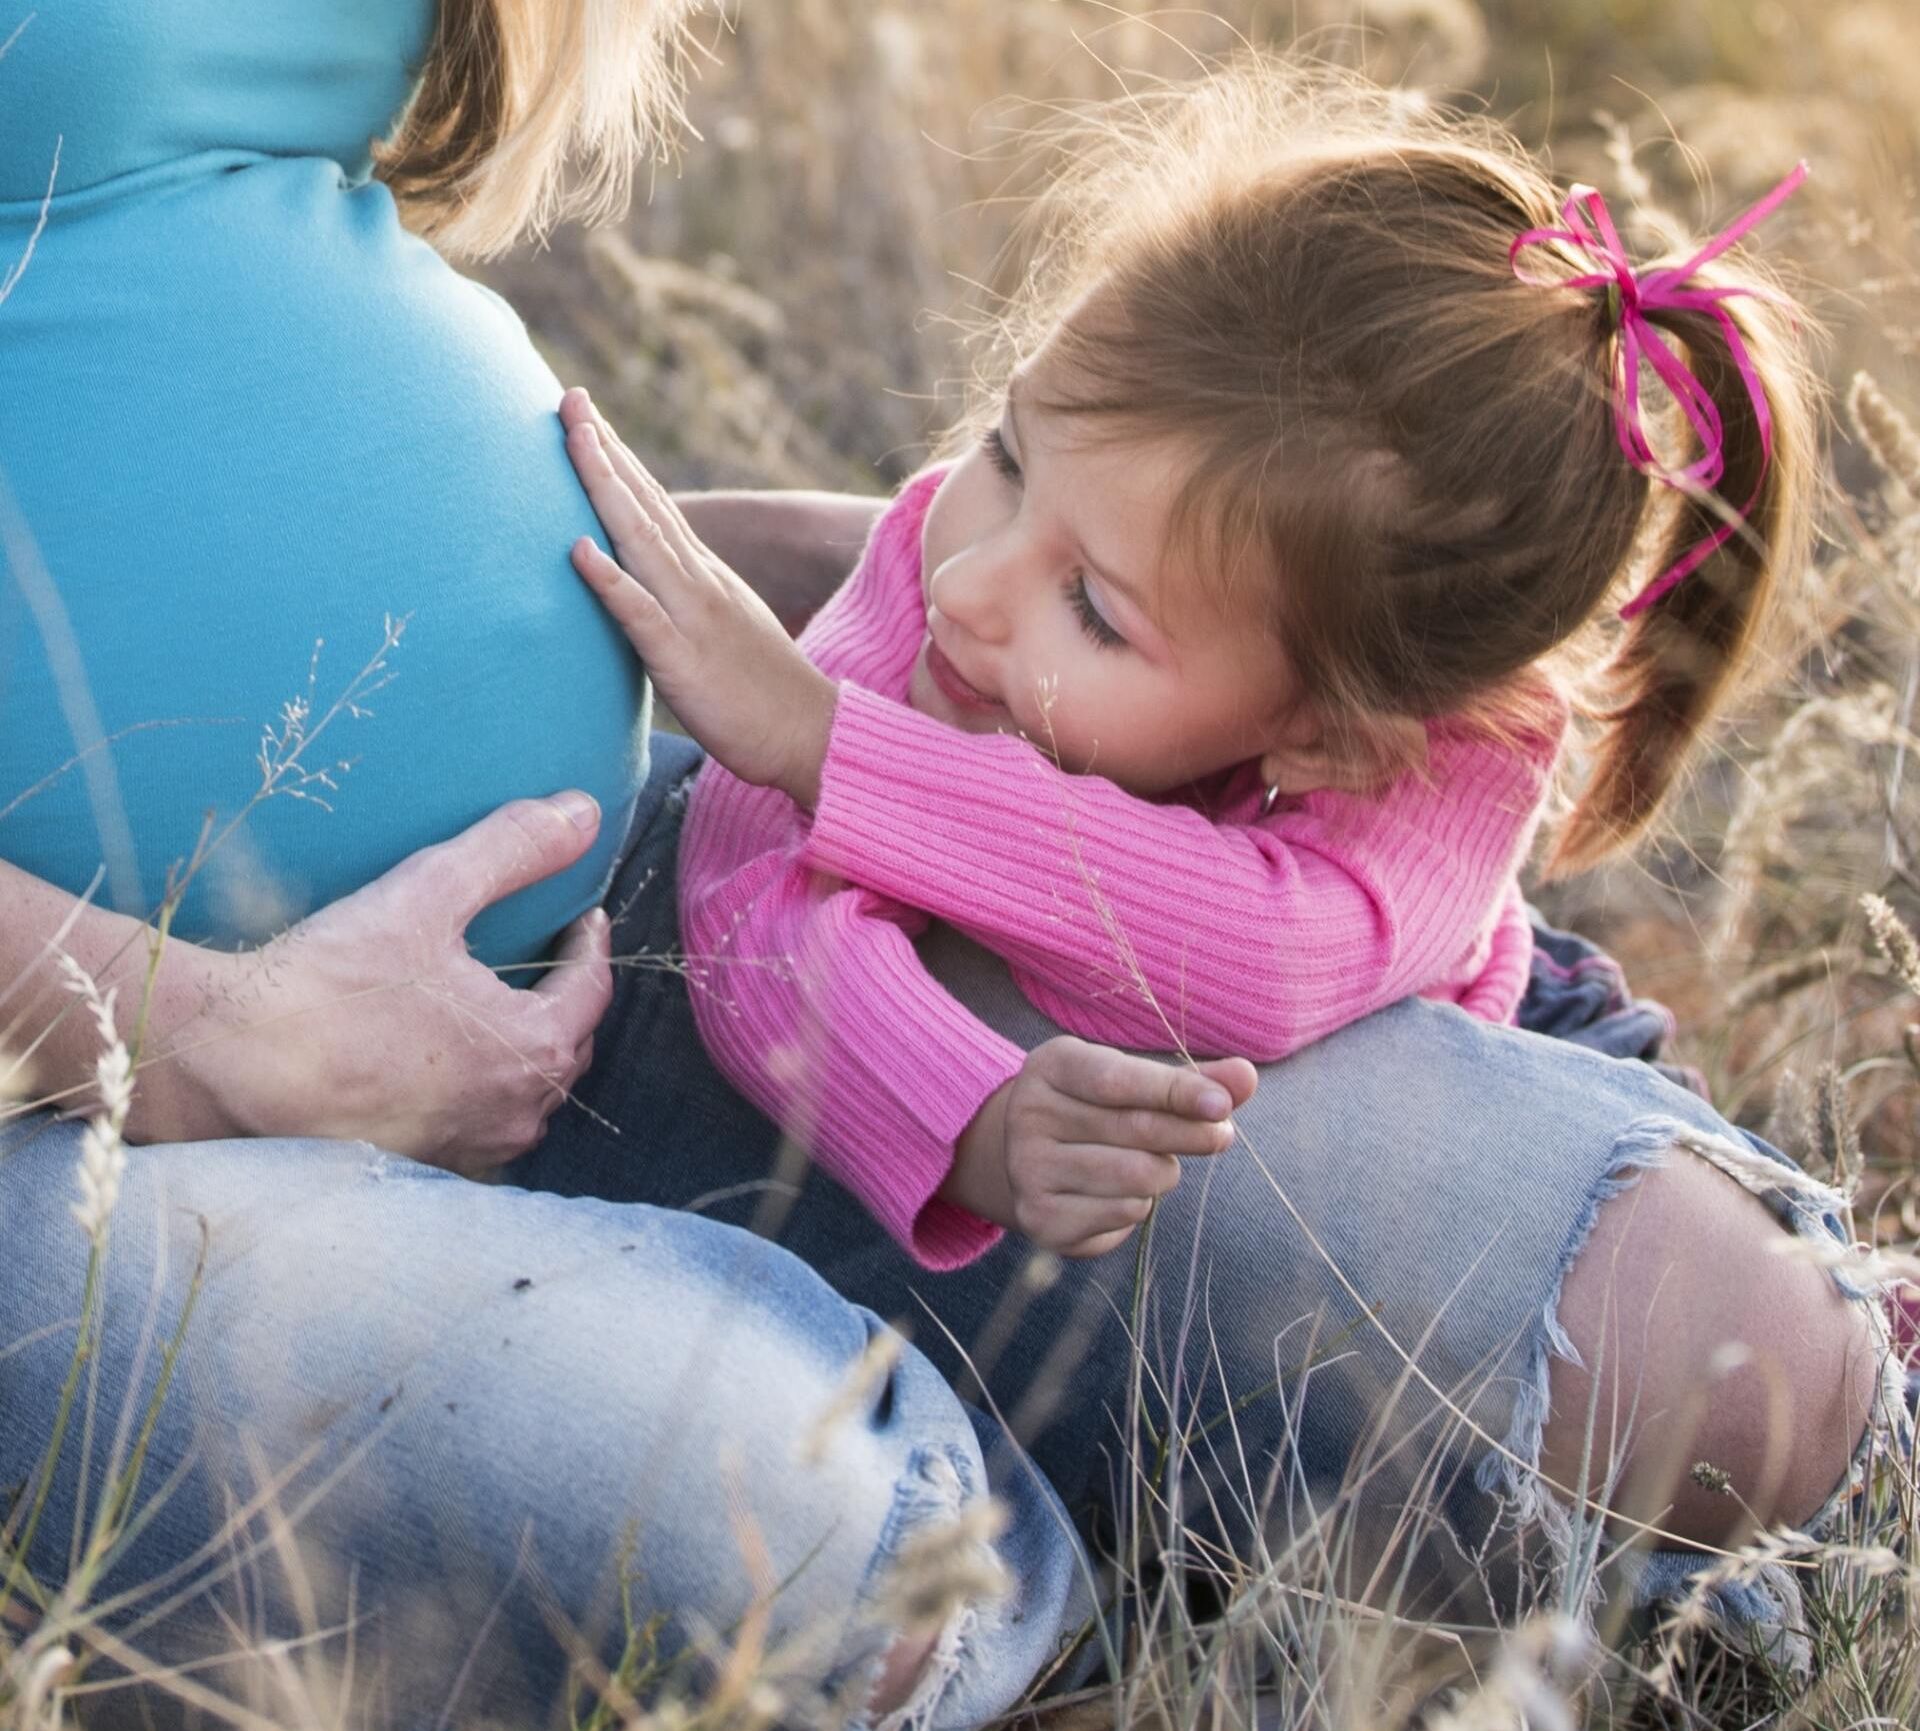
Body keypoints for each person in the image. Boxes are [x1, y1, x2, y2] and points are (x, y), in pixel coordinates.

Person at [0, 1, 1897, 1719]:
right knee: (799, 1547)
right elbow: (775, 882)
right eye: (1000, 469)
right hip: (85, 1111)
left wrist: (788, 672)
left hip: (607, 933)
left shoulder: (1398, 734)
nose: (980, 570)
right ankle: (1062, 1622)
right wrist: (198, 1024)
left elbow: (1234, 951)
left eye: (1082, 586)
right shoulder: (965, 622)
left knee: (1717, 1356)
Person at [551, 63, 1811, 1275]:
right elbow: (745, 895)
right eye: (1007, 455)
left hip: (1524, 1044)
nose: (965, 584)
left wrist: (831, 750)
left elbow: (1261, 957)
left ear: (1336, 737)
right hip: (1228, 1143)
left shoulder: (1450, 756)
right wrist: (964, 1113)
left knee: (1790, 1328)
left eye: (1094, 609)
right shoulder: (947, 580)